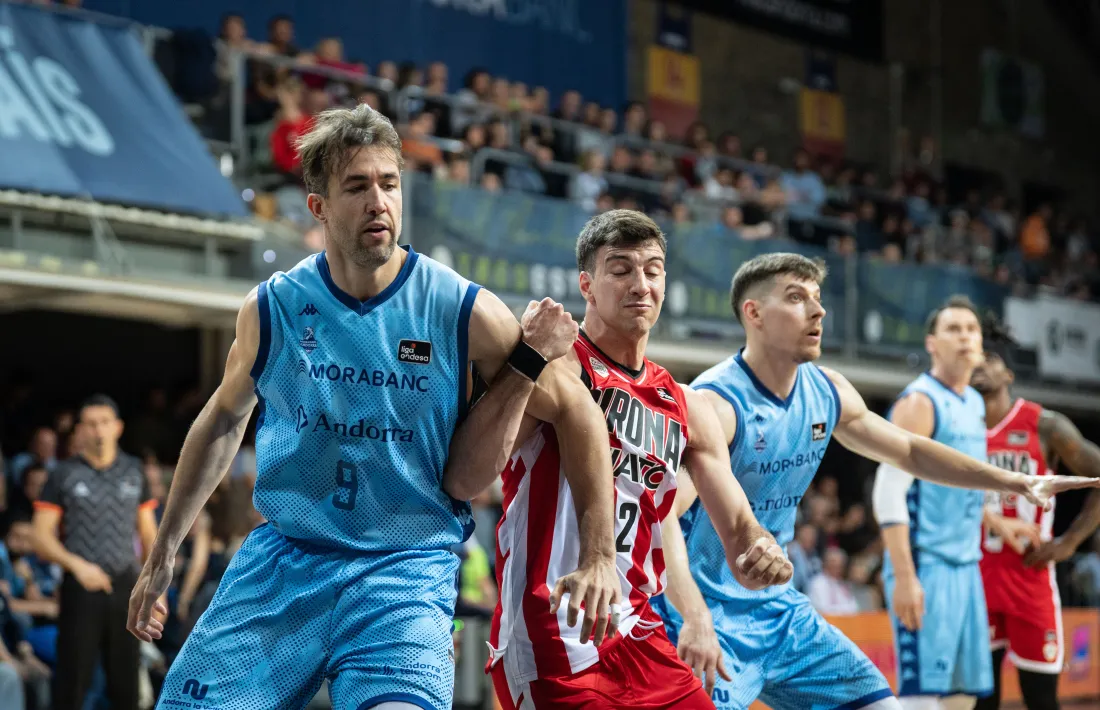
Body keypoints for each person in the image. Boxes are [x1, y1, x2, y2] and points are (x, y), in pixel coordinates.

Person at [126, 104, 620, 710]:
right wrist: (165, 547)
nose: (378, 201)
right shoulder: (274, 308)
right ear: (319, 207)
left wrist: (599, 555)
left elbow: (580, 412)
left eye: (389, 184)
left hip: (403, 570)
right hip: (287, 561)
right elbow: (223, 421)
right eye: (357, 187)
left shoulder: (459, 308)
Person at [654, 255, 1100, 710]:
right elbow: (661, 511)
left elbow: (908, 450)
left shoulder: (828, 389)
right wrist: (693, 614)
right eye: (796, 297)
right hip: (707, 612)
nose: (818, 310)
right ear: (754, 313)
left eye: (818, 298)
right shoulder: (718, 404)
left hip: (779, 609)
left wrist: (1014, 481)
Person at [484, 210, 793, 709]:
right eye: (620, 269)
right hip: (553, 627)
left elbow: (739, 530)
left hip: (638, 629)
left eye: (652, 269)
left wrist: (761, 551)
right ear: (587, 284)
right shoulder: (558, 362)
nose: (640, 284)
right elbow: (486, 457)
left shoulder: (687, 404)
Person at [971, 318, 1100, 710]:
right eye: (974, 355)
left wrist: (1069, 542)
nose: (978, 363)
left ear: (1008, 373)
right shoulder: (957, 427)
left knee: (1042, 701)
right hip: (975, 577)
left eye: (989, 357)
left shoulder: (1045, 425)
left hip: (1030, 576)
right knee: (982, 702)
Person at [32, 395, 159, 710]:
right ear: (80, 430)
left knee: (126, 685)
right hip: (81, 587)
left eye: (104, 422)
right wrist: (77, 566)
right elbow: (40, 536)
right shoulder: (63, 473)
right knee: (72, 683)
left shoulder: (134, 469)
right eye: (90, 424)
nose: (98, 430)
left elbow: (148, 534)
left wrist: (155, 584)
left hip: (127, 586)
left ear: (117, 427)